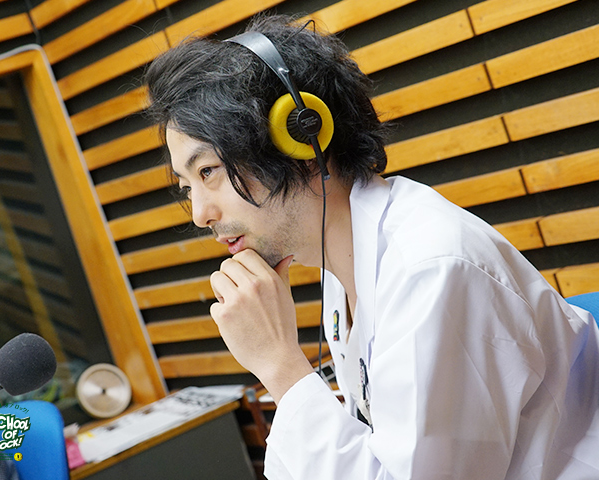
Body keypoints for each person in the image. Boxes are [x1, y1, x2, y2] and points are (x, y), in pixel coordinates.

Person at [144, 15, 599, 480]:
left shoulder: (430, 270)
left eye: (208, 172)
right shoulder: (343, 270)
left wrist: (279, 365)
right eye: (187, 187)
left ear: (301, 139)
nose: (200, 214)